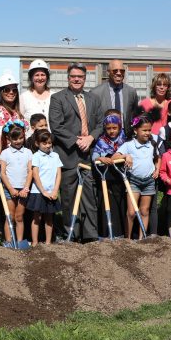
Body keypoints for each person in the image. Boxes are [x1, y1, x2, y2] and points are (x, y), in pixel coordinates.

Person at [49, 64, 99, 241]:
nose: (77, 79)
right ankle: (71, 234)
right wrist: (77, 140)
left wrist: (90, 138)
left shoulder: (93, 99)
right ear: (68, 78)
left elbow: (100, 123)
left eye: (80, 76)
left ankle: (90, 235)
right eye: (73, 76)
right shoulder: (58, 98)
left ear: (85, 78)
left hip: (88, 154)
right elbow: (56, 126)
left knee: (89, 196)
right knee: (69, 198)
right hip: (68, 154)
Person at [118, 115, 159, 238]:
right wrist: (125, 156)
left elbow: (158, 157)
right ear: (136, 130)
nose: (147, 133)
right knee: (131, 212)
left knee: (144, 211)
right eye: (144, 130)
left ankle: (142, 239)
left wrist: (157, 168)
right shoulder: (129, 145)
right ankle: (128, 238)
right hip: (133, 181)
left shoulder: (152, 144)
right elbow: (114, 157)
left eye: (149, 130)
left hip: (149, 181)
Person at [93, 111, 127, 239]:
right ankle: (108, 233)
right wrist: (101, 158)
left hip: (122, 176)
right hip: (107, 177)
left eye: (114, 128)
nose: (112, 131)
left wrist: (124, 156)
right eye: (108, 128)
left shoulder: (125, 139)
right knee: (108, 205)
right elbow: (95, 156)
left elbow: (129, 152)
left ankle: (124, 233)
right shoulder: (102, 140)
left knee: (122, 204)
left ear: (119, 127)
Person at [0, 123, 32, 245]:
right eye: (15, 139)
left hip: (23, 189)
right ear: (9, 139)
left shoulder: (28, 152)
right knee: (10, 217)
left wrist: (26, 188)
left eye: (20, 138)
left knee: (19, 217)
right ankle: (8, 242)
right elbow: (2, 173)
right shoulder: (5, 153)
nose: (18, 141)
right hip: (10, 188)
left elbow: (30, 172)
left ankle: (19, 242)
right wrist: (11, 189)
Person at [90, 59, 140, 130]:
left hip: (126, 136)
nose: (119, 73)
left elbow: (135, 115)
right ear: (108, 72)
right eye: (115, 70)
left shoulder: (131, 92)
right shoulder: (96, 93)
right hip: (104, 136)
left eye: (122, 71)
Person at [0, 73, 27, 152]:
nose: (11, 92)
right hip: (6, 157)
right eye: (7, 90)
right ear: (0, 92)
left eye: (14, 90)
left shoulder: (16, 110)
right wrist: (1, 161)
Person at [19, 59, 54, 128]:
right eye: (36, 75)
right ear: (31, 77)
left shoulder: (54, 96)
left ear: (47, 77)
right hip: (31, 138)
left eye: (43, 75)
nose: (40, 78)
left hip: (51, 138)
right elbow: (20, 121)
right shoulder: (24, 97)